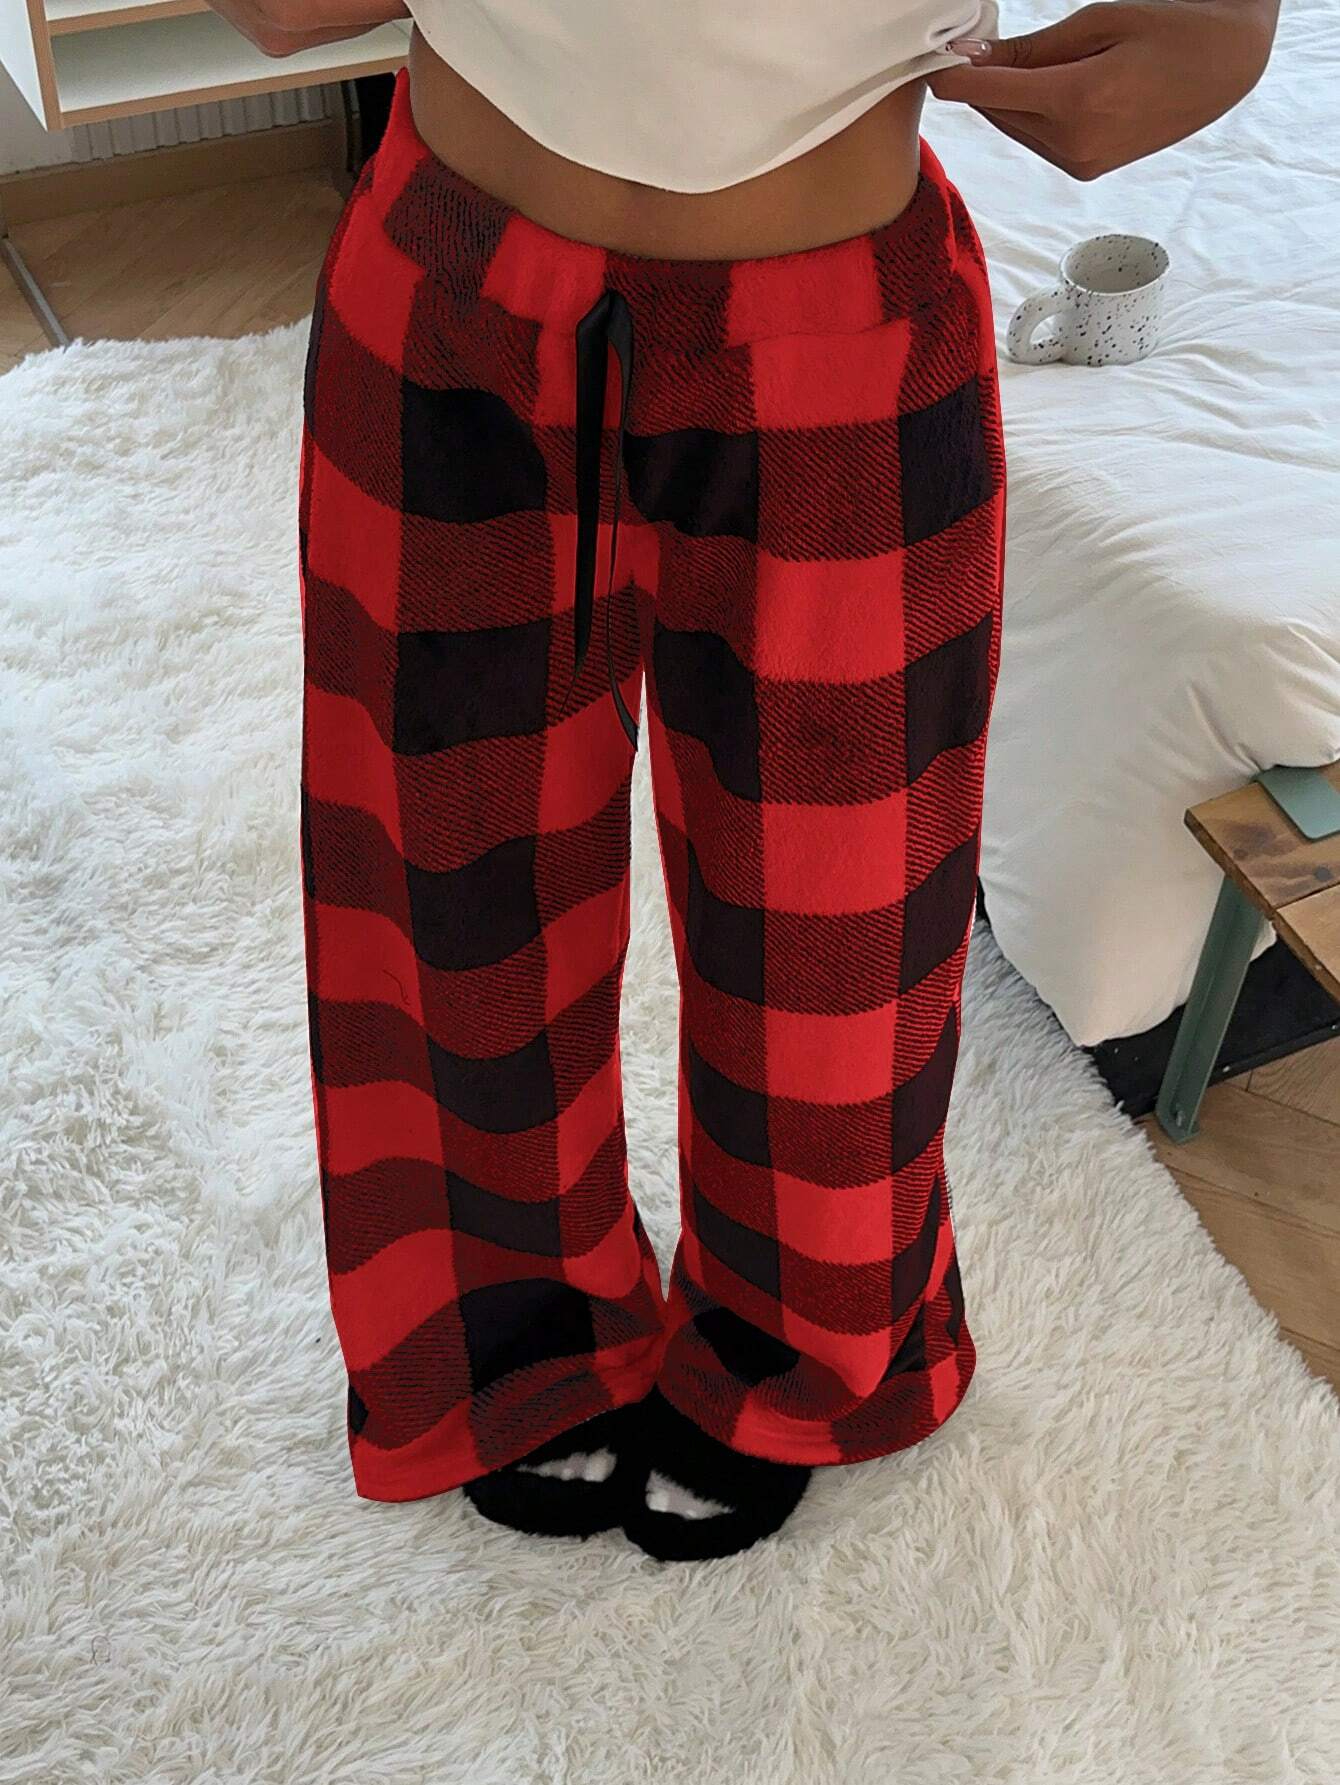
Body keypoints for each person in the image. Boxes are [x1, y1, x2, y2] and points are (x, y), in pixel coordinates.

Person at [225, 0, 1279, 1561]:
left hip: (842, 306)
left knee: (840, 930)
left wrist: (1228, 25)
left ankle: (810, 1341)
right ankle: (505, 1338)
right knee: (439, 885)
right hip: (455, 286)